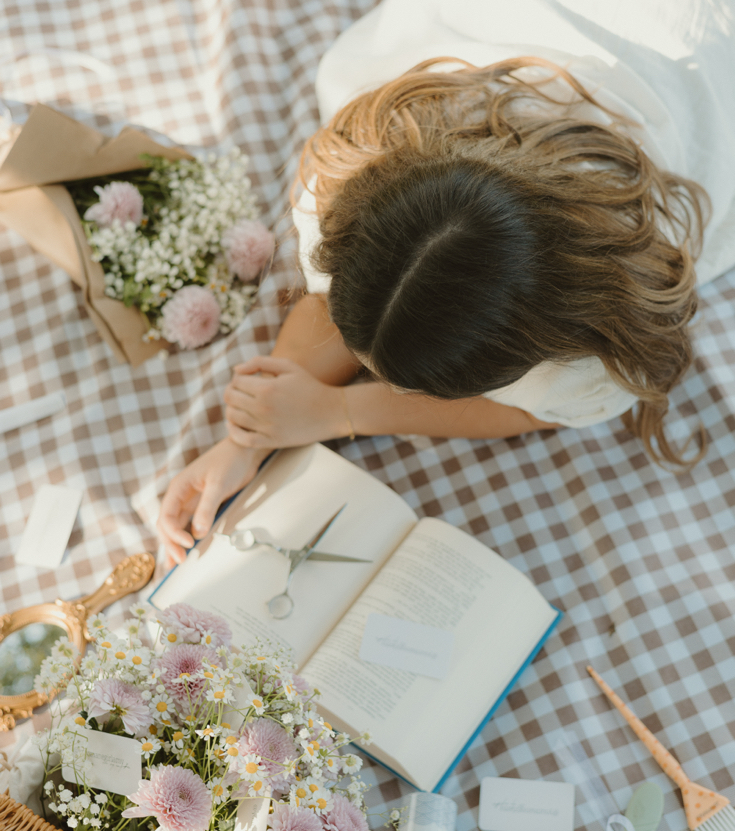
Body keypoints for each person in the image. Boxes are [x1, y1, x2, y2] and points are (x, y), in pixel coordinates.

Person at [158, 0, 735, 565]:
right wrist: (251, 438)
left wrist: (339, 411)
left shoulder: (594, 352)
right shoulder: (345, 184)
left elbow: (535, 411)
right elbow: (344, 301)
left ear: (527, 359)